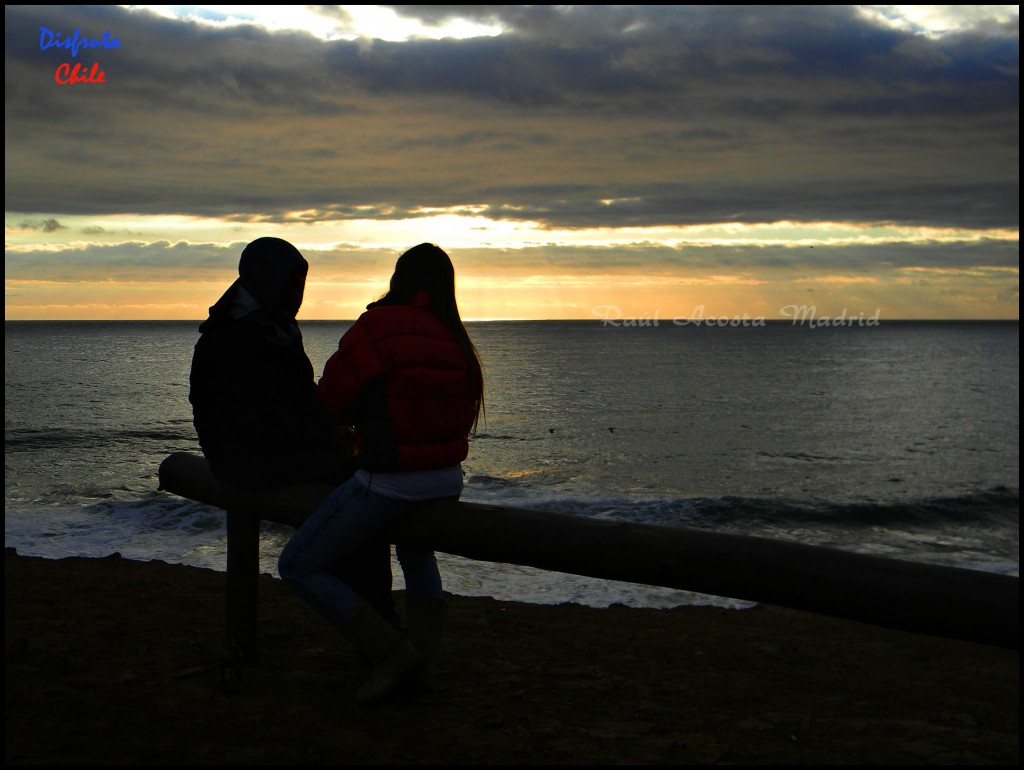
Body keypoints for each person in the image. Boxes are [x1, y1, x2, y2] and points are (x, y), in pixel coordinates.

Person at [278, 242, 484, 704]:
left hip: (390, 483)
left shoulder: (378, 327)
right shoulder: (455, 336)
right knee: (416, 558)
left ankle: (390, 652)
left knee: (297, 565)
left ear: (399, 280)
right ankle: (424, 664)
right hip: (445, 480)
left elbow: (331, 398)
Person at [189, 237, 397, 629]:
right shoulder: (233, 336)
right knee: (358, 491)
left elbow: (300, 398)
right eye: (290, 283)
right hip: (242, 460)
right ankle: (376, 620)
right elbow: (257, 420)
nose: (297, 293)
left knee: (358, 485)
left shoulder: (275, 326)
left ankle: (372, 611)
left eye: (300, 283)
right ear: (267, 279)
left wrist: (333, 429)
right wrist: (324, 441)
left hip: (268, 450)